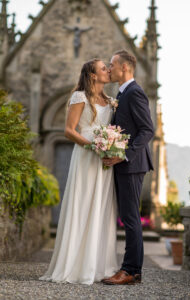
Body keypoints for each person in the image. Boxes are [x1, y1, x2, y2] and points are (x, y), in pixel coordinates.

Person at [39, 59, 118, 285]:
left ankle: (98, 265)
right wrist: (93, 146)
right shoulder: (79, 97)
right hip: (86, 157)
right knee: (83, 204)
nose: (108, 70)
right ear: (93, 75)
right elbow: (68, 131)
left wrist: (112, 147)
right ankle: (76, 265)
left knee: (102, 208)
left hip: (104, 162)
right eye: (104, 68)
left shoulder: (112, 102)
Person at [102, 50, 154, 285]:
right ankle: (131, 269)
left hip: (132, 165)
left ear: (124, 68)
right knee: (128, 217)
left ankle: (131, 271)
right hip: (125, 164)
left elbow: (147, 130)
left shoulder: (134, 93)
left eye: (112, 65)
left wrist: (124, 155)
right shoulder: (122, 93)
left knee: (131, 219)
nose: (109, 68)